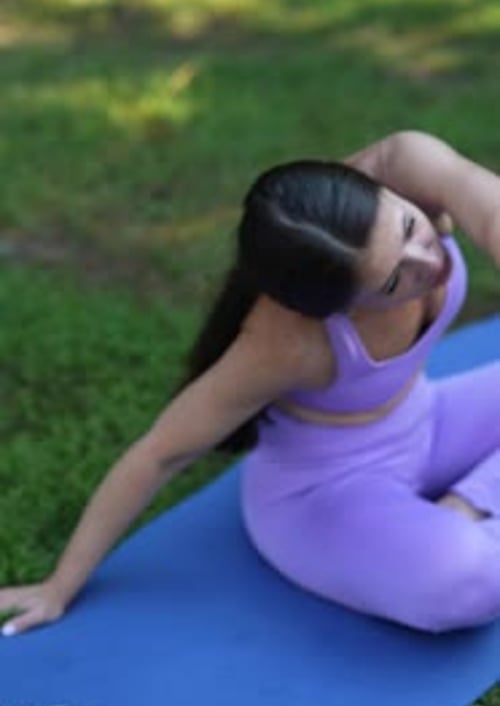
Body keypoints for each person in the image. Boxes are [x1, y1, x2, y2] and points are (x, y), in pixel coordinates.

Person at [0, 130, 499, 636]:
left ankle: (468, 503)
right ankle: (464, 525)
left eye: (412, 228)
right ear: (335, 305)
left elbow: (491, 211)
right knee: (468, 584)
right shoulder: (286, 342)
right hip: (328, 492)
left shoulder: (404, 166)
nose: (429, 262)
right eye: (395, 280)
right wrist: (58, 586)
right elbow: (158, 454)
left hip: (425, 421)